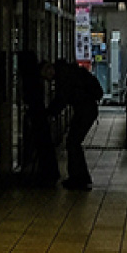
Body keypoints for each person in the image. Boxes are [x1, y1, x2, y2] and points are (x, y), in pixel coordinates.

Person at [48, 58, 103, 191]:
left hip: (85, 110)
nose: (48, 79)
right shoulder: (70, 71)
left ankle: (78, 178)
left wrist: (49, 112)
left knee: (72, 142)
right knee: (74, 142)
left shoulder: (64, 76)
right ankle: (80, 176)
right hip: (87, 109)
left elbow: (62, 98)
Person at [18, 50, 54, 186]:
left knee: (38, 143)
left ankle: (43, 173)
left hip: (36, 115)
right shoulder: (35, 78)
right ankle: (47, 172)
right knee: (43, 144)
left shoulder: (29, 79)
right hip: (40, 115)